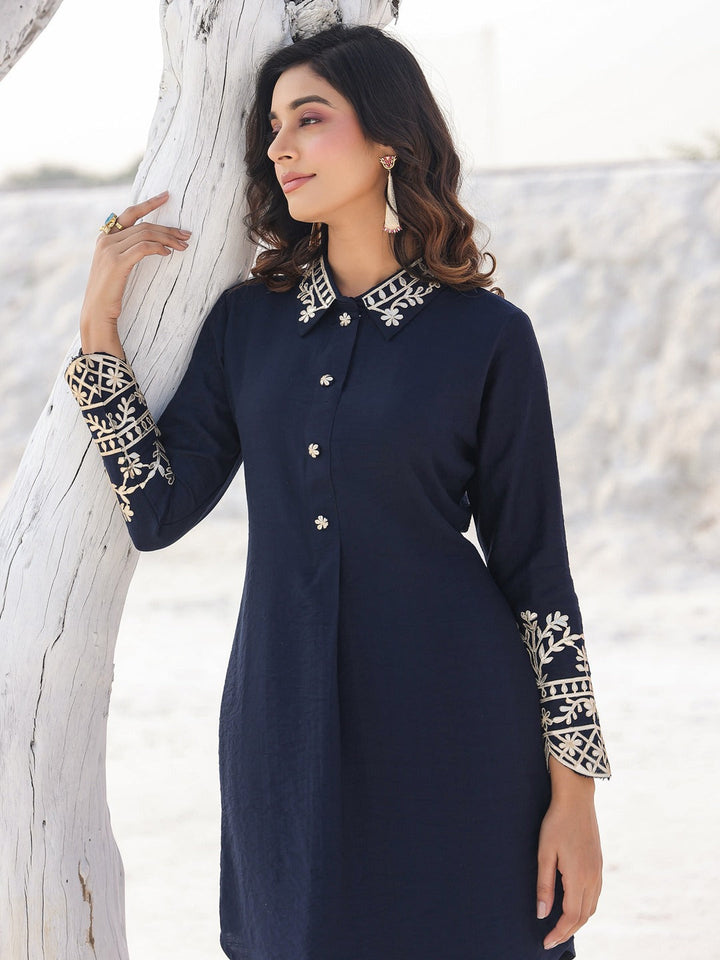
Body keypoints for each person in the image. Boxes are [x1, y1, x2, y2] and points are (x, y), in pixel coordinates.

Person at [64, 23, 610, 960]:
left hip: (460, 724)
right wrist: (97, 326)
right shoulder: (248, 324)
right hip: (286, 729)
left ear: (388, 138)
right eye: (273, 127)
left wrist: (576, 799)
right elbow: (156, 511)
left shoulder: (486, 336)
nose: (280, 146)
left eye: (309, 118)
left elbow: (538, 576)